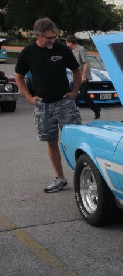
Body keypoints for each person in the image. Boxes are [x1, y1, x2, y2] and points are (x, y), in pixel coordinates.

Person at [14, 18, 82, 193]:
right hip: (43, 106)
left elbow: (77, 71)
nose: (52, 40)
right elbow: (19, 77)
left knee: (76, 140)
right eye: (48, 38)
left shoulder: (63, 50)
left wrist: (74, 93)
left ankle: (84, 177)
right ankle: (60, 179)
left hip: (64, 103)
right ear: (37, 35)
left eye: (55, 37)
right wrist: (29, 97)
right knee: (51, 143)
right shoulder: (28, 52)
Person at [65, 35, 101, 120]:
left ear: (70, 42)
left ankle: (96, 109)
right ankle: (74, 114)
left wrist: (83, 76)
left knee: (83, 95)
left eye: (66, 42)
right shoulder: (72, 51)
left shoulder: (80, 49)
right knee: (74, 96)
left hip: (83, 77)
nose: (66, 44)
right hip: (76, 77)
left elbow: (86, 63)